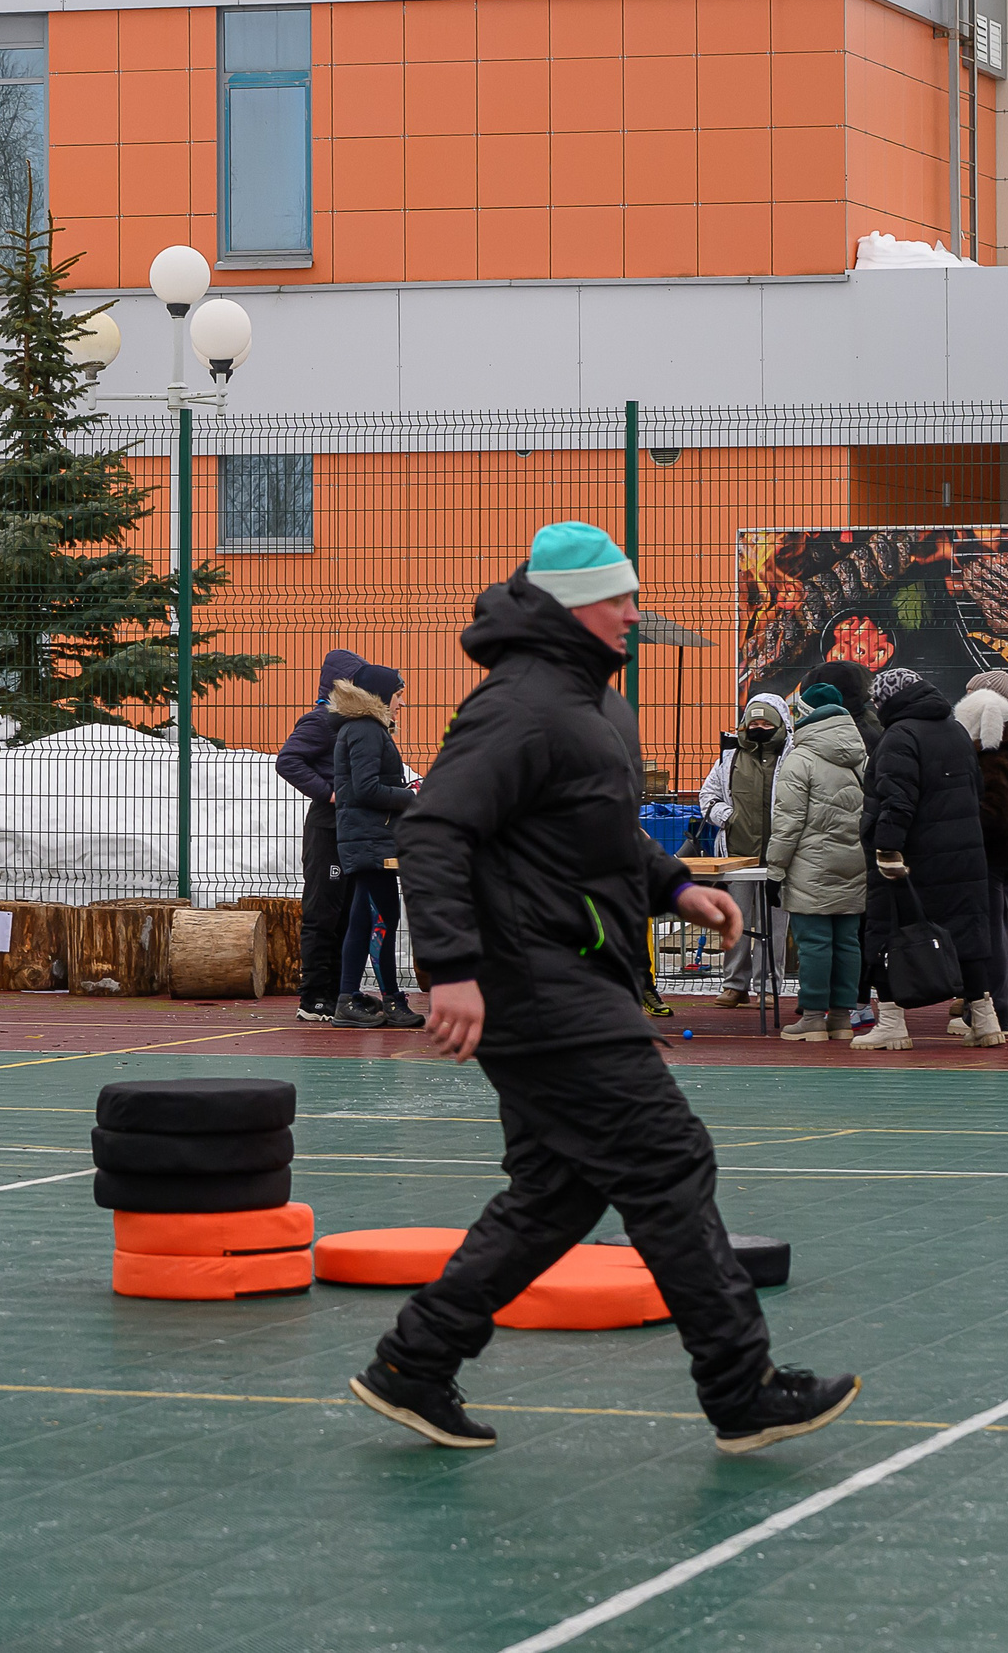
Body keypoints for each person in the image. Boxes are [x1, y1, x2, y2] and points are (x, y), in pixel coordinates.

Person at [351, 521, 860, 1456]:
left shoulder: (574, 703)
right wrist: (452, 972)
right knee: (669, 1161)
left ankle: (414, 1364)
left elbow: (587, 833)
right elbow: (431, 834)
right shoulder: (522, 707)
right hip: (537, 984)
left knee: (557, 1193)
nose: (636, 614)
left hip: (563, 975)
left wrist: (673, 884)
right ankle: (740, 1388)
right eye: (622, 599)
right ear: (574, 606)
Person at [853, 668, 1003, 1049]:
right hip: (963, 854)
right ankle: (985, 1022)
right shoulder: (955, 731)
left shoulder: (899, 737)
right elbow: (975, 790)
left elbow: (896, 799)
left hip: (912, 855)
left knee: (887, 933)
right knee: (965, 935)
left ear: (889, 702)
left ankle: (891, 1022)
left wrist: (887, 847)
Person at [761, 682, 866, 1041]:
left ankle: (812, 1017)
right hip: (854, 860)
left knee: (815, 943)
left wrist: (774, 870)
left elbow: (787, 823)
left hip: (810, 864)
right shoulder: (858, 754)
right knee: (848, 941)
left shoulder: (801, 759)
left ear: (805, 715)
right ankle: (841, 1017)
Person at [328, 661, 423, 1031]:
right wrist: (411, 796)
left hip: (369, 837)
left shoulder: (362, 729)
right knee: (384, 916)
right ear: (383, 695)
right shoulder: (367, 730)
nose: (402, 703)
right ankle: (392, 1001)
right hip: (371, 841)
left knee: (363, 917)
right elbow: (366, 789)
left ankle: (347, 998)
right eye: (399, 695)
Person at [273, 648, 362, 1023]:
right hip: (327, 829)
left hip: (349, 829)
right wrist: (329, 792)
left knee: (345, 913)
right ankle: (313, 998)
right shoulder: (320, 720)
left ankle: (339, 993)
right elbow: (288, 760)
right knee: (323, 913)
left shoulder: (346, 722)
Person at [800, 659, 882, 1026]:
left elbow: (791, 808)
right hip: (866, 845)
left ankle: (819, 1006)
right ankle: (853, 1004)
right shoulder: (875, 731)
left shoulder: (812, 742)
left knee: (818, 934)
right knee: (855, 932)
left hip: (818, 850)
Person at [697, 692, 791, 1008]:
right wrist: (726, 815)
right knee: (735, 919)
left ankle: (769, 985)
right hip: (737, 857)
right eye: (753, 721)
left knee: (775, 927)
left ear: (780, 724)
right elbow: (707, 795)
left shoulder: (792, 757)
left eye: (766, 722)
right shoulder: (729, 759)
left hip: (780, 857)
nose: (759, 727)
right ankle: (734, 984)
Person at [953, 678, 1008, 1036]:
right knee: (999, 932)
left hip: (988, 855)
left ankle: (997, 1009)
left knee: (991, 936)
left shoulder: (992, 759)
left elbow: (994, 813)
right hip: (1005, 855)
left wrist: (962, 823)